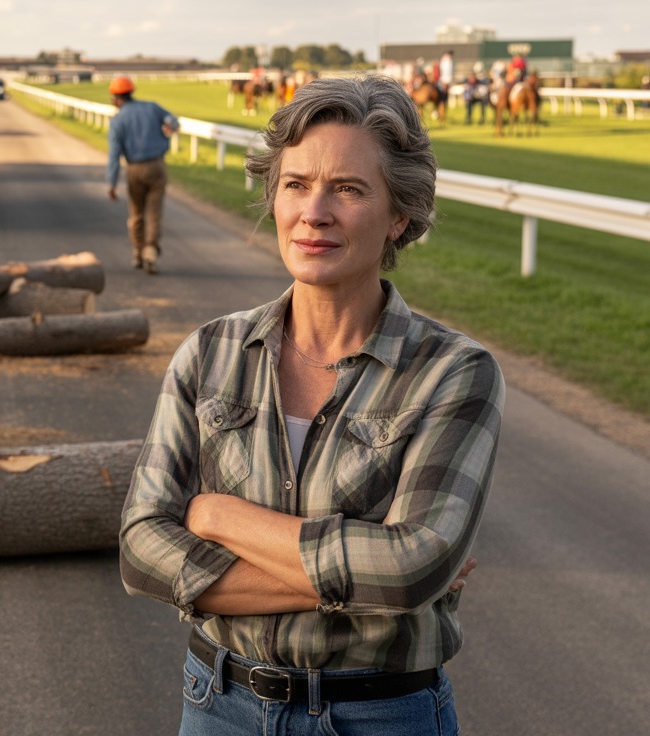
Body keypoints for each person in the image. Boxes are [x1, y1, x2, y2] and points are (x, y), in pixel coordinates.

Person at [119, 75, 505, 735]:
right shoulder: (209, 353)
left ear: (399, 214)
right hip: (219, 703)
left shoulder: (454, 372)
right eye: (296, 184)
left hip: (381, 714)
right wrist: (376, 584)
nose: (314, 211)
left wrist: (217, 513)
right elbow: (141, 549)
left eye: (348, 189)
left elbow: (412, 569)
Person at [105, 76, 179, 275]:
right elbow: (173, 120)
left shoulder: (118, 120)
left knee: (137, 214)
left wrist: (111, 183)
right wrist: (170, 127)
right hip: (157, 166)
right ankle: (150, 252)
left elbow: (114, 155)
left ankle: (138, 252)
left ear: (116, 99)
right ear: (131, 92)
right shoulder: (151, 107)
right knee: (154, 213)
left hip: (135, 170)